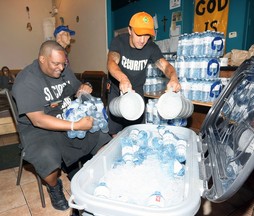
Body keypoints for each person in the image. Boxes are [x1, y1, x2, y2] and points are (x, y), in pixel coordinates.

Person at [12, 40, 112, 211]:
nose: (61, 68)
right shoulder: (26, 80)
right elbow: (38, 119)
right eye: (55, 63)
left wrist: (84, 88)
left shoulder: (63, 71)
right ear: (42, 59)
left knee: (104, 138)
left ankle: (97, 178)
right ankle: (54, 186)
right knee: (47, 157)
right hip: (37, 129)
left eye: (63, 63)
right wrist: (75, 125)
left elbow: (76, 88)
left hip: (67, 117)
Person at [107, 11, 181, 137]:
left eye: (147, 35)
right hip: (117, 91)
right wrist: (123, 79)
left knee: (137, 131)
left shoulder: (151, 47)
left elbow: (166, 66)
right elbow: (111, 62)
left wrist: (174, 78)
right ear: (130, 30)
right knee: (115, 133)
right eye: (139, 34)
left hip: (137, 92)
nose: (143, 40)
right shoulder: (119, 42)